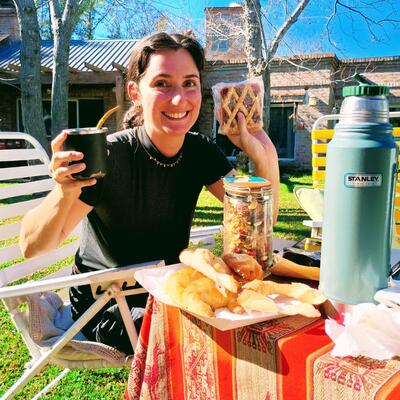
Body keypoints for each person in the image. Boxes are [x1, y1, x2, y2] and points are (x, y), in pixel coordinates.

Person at [19, 32, 280, 355]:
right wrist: (64, 191)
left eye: (189, 83)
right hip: (108, 304)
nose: (179, 99)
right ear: (135, 92)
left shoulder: (200, 152)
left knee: (255, 314)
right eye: (162, 84)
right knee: (207, 336)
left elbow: (259, 225)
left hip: (170, 292)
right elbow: (32, 246)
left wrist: (264, 152)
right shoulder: (109, 157)